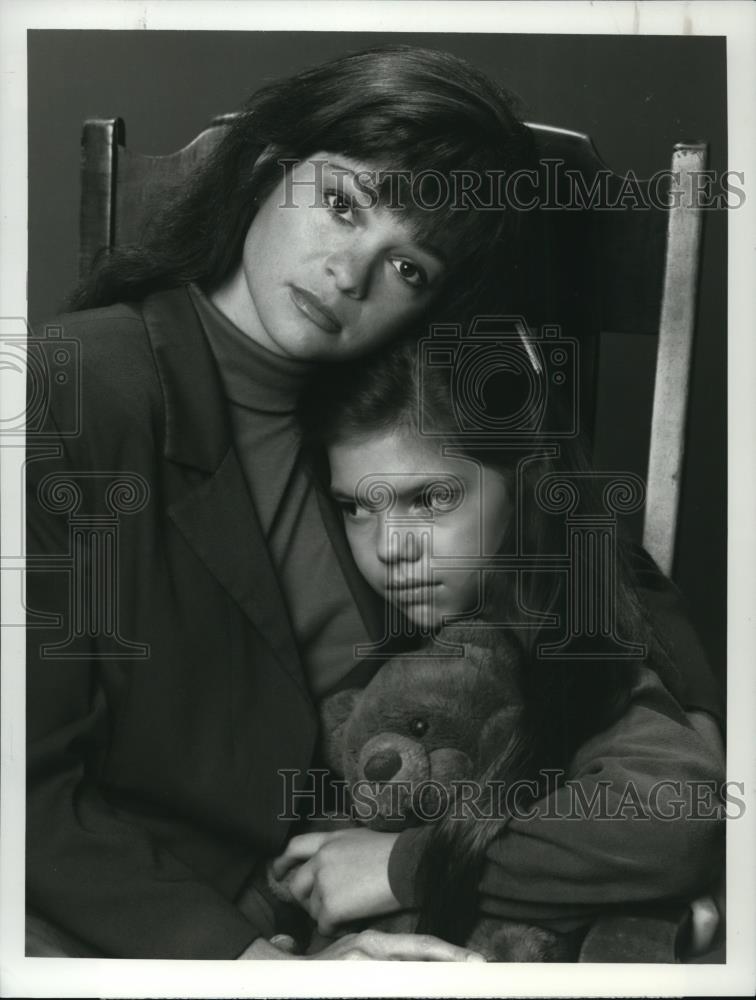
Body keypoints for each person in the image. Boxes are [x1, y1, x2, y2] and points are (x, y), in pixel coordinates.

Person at [25, 44, 539, 961]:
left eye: (408, 267)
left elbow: (607, 615)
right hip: (139, 930)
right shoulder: (64, 392)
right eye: (342, 204)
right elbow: (20, 792)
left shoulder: (389, 425)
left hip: (366, 910)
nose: (349, 276)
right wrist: (248, 965)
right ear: (267, 171)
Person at [269, 331, 725, 955]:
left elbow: (682, 821)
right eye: (356, 507)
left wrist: (407, 868)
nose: (389, 546)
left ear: (523, 483)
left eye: (430, 498)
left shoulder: (580, 651)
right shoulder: (387, 667)